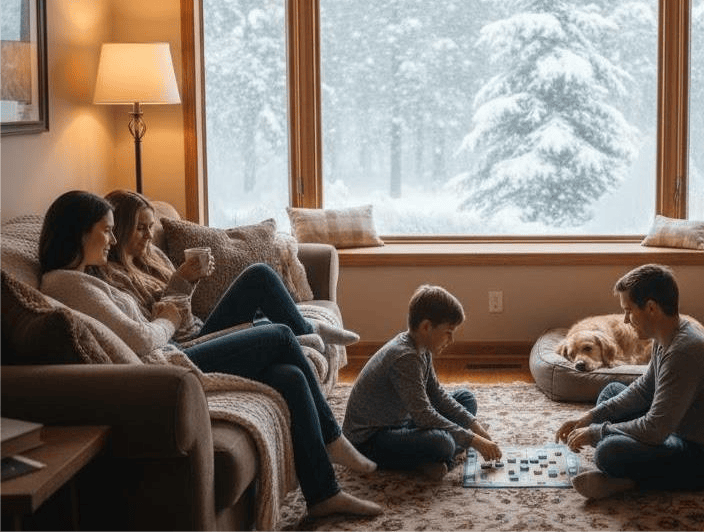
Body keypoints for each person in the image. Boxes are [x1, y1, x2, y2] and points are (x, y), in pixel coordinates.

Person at [38, 190, 382, 519]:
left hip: (171, 351)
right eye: (107, 231)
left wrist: (173, 305)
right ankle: (331, 437)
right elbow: (143, 340)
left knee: (288, 375)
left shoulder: (81, 278)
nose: (112, 241)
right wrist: (166, 318)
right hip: (164, 366)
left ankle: (323, 494)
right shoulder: (68, 284)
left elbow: (141, 329)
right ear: (79, 233)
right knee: (278, 335)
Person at [555, 263, 704, 500]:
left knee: (608, 452)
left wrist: (597, 432)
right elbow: (644, 390)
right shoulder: (665, 336)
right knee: (611, 391)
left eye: (628, 311)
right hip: (679, 428)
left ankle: (628, 481)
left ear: (651, 309)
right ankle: (632, 470)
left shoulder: (684, 351)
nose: (625, 320)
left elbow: (655, 429)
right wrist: (590, 417)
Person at [102, 189, 358, 352]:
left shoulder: (153, 256)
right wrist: (181, 280)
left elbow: (181, 303)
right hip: (185, 343)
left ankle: (306, 328)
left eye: (150, 227)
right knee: (259, 277)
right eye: (140, 228)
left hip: (197, 327)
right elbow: (157, 322)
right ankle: (306, 330)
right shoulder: (114, 278)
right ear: (120, 228)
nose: (149, 235)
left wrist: (191, 280)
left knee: (260, 280)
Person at [342, 284, 503, 480]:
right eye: (448, 332)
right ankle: (431, 460)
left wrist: (474, 426)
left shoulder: (422, 347)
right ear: (426, 327)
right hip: (370, 440)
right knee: (443, 443)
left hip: (402, 420)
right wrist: (473, 440)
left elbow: (437, 395)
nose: (451, 340)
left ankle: (429, 461)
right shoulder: (405, 357)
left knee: (466, 399)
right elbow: (424, 416)